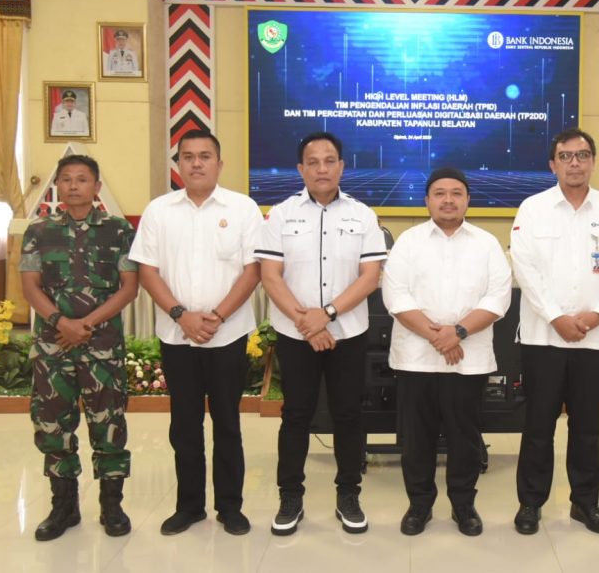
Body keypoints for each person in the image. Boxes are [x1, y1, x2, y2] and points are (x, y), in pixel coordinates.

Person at [130, 129, 262, 537]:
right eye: (188, 156)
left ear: (219, 164)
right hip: (177, 337)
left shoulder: (243, 208)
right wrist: (180, 315)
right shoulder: (159, 211)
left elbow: (253, 271)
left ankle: (230, 507)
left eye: (205, 156)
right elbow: (147, 270)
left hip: (229, 335)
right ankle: (189, 506)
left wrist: (217, 316)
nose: (197, 163)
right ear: (178, 165)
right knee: (184, 425)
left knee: (227, 423)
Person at [257, 131, 387, 536]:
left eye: (329, 161)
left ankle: (348, 494)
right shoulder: (280, 215)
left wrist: (326, 315)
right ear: (301, 169)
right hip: (296, 335)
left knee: (348, 415)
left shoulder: (362, 215)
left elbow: (370, 277)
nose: (322, 169)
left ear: (342, 167)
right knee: (296, 415)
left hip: (347, 333)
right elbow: (270, 276)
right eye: (312, 162)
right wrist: (307, 322)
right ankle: (290, 497)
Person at [510, 127, 599, 536]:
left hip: (594, 339)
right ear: (553, 164)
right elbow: (524, 268)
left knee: (586, 426)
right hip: (543, 338)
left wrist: (598, 314)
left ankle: (586, 503)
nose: (574, 163)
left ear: (593, 161)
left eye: (582, 155)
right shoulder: (533, 208)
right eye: (565, 156)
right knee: (538, 425)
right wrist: (555, 316)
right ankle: (530, 504)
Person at [382, 167, 512, 537]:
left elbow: (498, 297)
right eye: (440, 193)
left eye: (456, 193)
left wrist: (458, 333)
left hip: (468, 359)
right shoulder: (408, 242)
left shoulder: (487, 243)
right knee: (416, 438)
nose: (448, 200)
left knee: (464, 436)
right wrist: (439, 337)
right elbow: (395, 296)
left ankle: (463, 505)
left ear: (468, 200)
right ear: (427, 200)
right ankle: (419, 505)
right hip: (415, 359)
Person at [20, 154, 138, 541]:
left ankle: (112, 506)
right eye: (66, 179)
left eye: (82, 179)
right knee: (53, 425)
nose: (73, 185)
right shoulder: (39, 231)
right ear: (57, 186)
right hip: (53, 348)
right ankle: (64, 507)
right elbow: (30, 286)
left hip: (101, 345)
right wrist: (62, 323)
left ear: (96, 186)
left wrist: (85, 324)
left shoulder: (118, 230)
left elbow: (129, 288)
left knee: (109, 425)